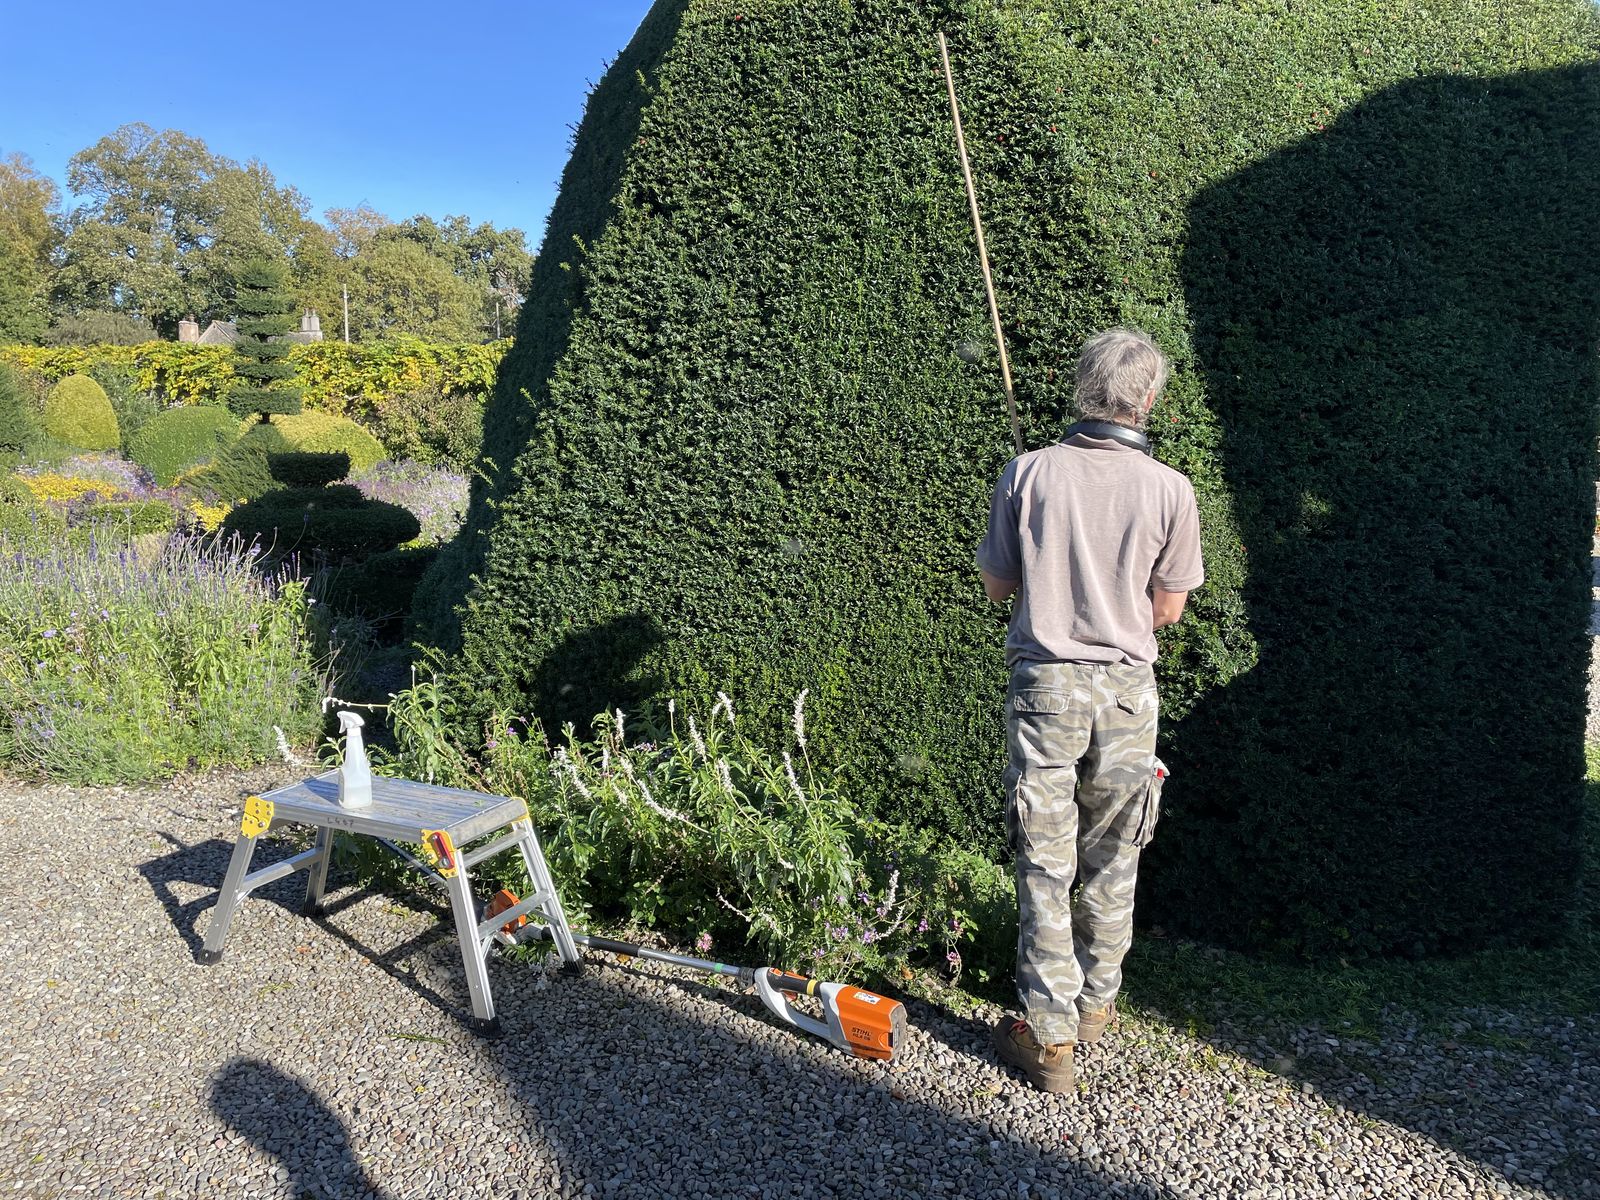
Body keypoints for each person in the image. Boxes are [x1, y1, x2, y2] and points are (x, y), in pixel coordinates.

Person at [976, 327, 1204, 1094]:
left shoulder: (1028, 471)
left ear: (1082, 388)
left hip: (1046, 686)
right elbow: (1167, 611)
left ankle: (1051, 1036)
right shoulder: (1172, 489)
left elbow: (997, 588)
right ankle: (1098, 1003)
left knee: (1046, 856)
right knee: (1116, 847)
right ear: (1147, 400)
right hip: (1127, 690)